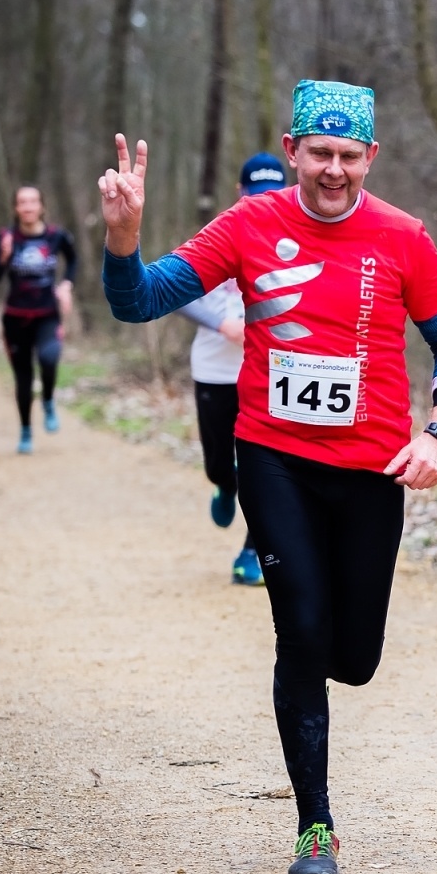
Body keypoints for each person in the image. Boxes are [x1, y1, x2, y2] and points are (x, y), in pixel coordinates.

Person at [97, 80, 437, 874]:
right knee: (300, 632)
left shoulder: (403, 237)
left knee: (357, 658)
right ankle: (315, 827)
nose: (333, 171)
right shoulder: (250, 224)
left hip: (373, 468)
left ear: (370, 157)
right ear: (292, 149)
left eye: (348, 156)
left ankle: (318, 670)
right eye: (319, 154)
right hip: (274, 457)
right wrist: (123, 236)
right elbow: (139, 301)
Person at [174, 152, 290, 586]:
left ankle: (252, 553)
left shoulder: (300, 242)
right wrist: (221, 323)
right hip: (215, 368)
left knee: (269, 470)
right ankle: (225, 484)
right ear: (241, 193)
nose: (266, 203)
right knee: (221, 465)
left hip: (271, 375)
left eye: (274, 194)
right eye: (257, 194)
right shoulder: (222, 233)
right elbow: (175, 291)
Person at [0, 187, 76, 454]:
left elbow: (73, 260)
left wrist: (67, 285)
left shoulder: (56, 236)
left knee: (49, 359)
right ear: (16, 208)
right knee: (23, 378)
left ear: (42, 206)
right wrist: (3, 258)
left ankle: (48, 399)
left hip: (47, 315)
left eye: (33, 201)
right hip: (15, 318)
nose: (27, 207)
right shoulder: (6, 237)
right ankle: (26, 429)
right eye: (22, 202)